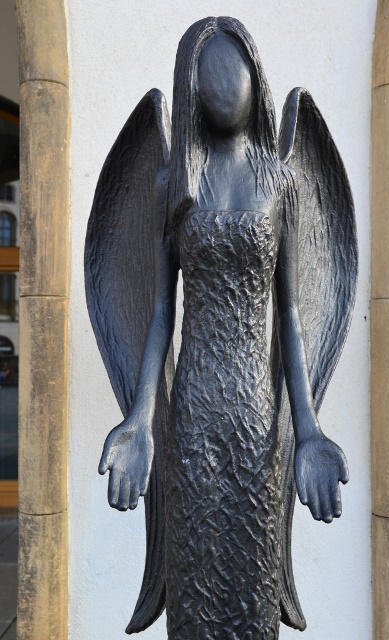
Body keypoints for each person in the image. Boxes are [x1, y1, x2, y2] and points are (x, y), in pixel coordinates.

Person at [87, 16, 356, 639]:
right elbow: (161, 313)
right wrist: (139, 419)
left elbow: (290, 314)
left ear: (255, 79)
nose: (223, 86)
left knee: (251, 582)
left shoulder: (278, 182)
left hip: (257, 420)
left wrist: (308, 430)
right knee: (196, 578)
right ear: (192, 89)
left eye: (234, 72)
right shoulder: (172, 185)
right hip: (193, 415)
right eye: (208, 76)